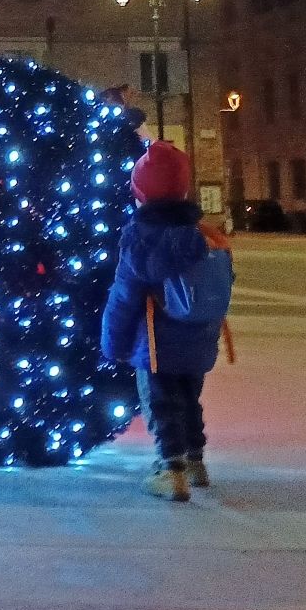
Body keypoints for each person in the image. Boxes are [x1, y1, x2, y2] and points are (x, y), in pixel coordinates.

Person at [101, 141, 234, 502]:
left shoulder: (139, 238)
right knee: (190, 398)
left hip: (156, 342)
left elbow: (125, 295)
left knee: (160, 402)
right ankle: (196, 462)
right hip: (199, 337)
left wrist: (112, 342)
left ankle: (169, 469)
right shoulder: (207, 234)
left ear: (141, 193)